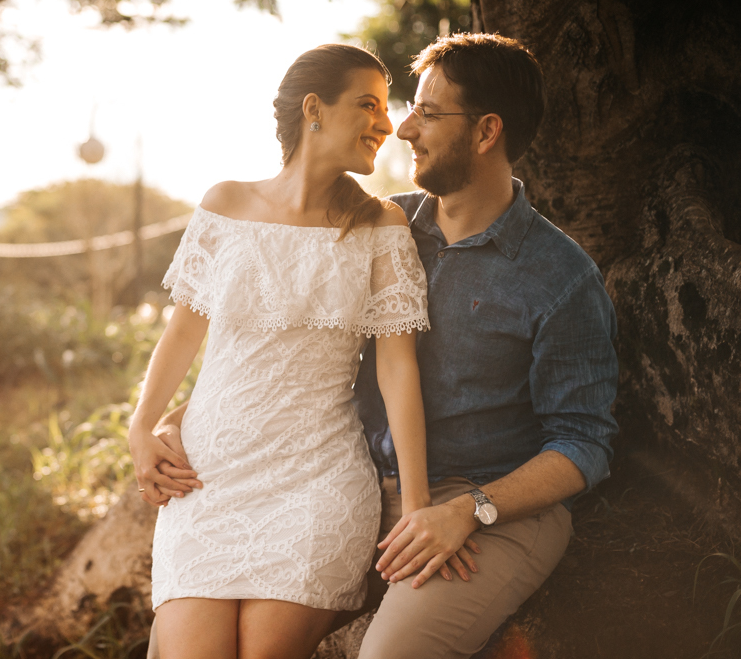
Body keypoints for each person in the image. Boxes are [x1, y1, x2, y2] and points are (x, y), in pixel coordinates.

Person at [142, 33, 619, 659]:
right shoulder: (373, 221)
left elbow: (584, 442)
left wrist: (468, 510)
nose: (402, 129)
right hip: (364, 483)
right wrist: (177, 419)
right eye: (400, 108)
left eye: (428, 113)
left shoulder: (559, 277)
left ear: (486, 132)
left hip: (485, 501)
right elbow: (286, 348)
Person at [128, 44, 441, 659]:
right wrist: (142, 426)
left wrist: (417, 504)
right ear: (313, 109)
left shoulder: (380, 226)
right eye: (369, 105)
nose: (386, 124)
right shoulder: (225, 204)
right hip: (206, 482)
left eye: (386, 108)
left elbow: (397, 370)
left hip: (316, 483)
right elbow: (182, 333)